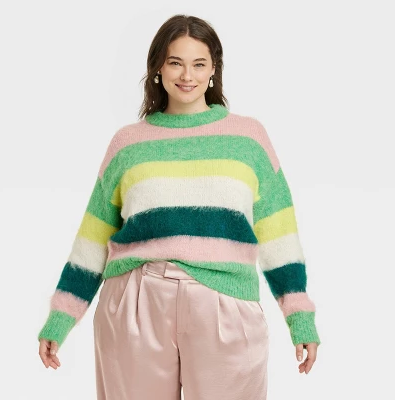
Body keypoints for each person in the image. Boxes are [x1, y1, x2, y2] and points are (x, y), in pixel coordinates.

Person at [38, 14, 320, 400]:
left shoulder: (248, 138)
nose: (187, 75)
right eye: (175, 62)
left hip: (225, 302)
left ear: (214, 69)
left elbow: (279, 233)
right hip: (136, 302)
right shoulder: (128, 143)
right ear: (158, 67)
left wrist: (300, 317)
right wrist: (60, 319)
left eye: (199, 64)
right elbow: (93, 236)